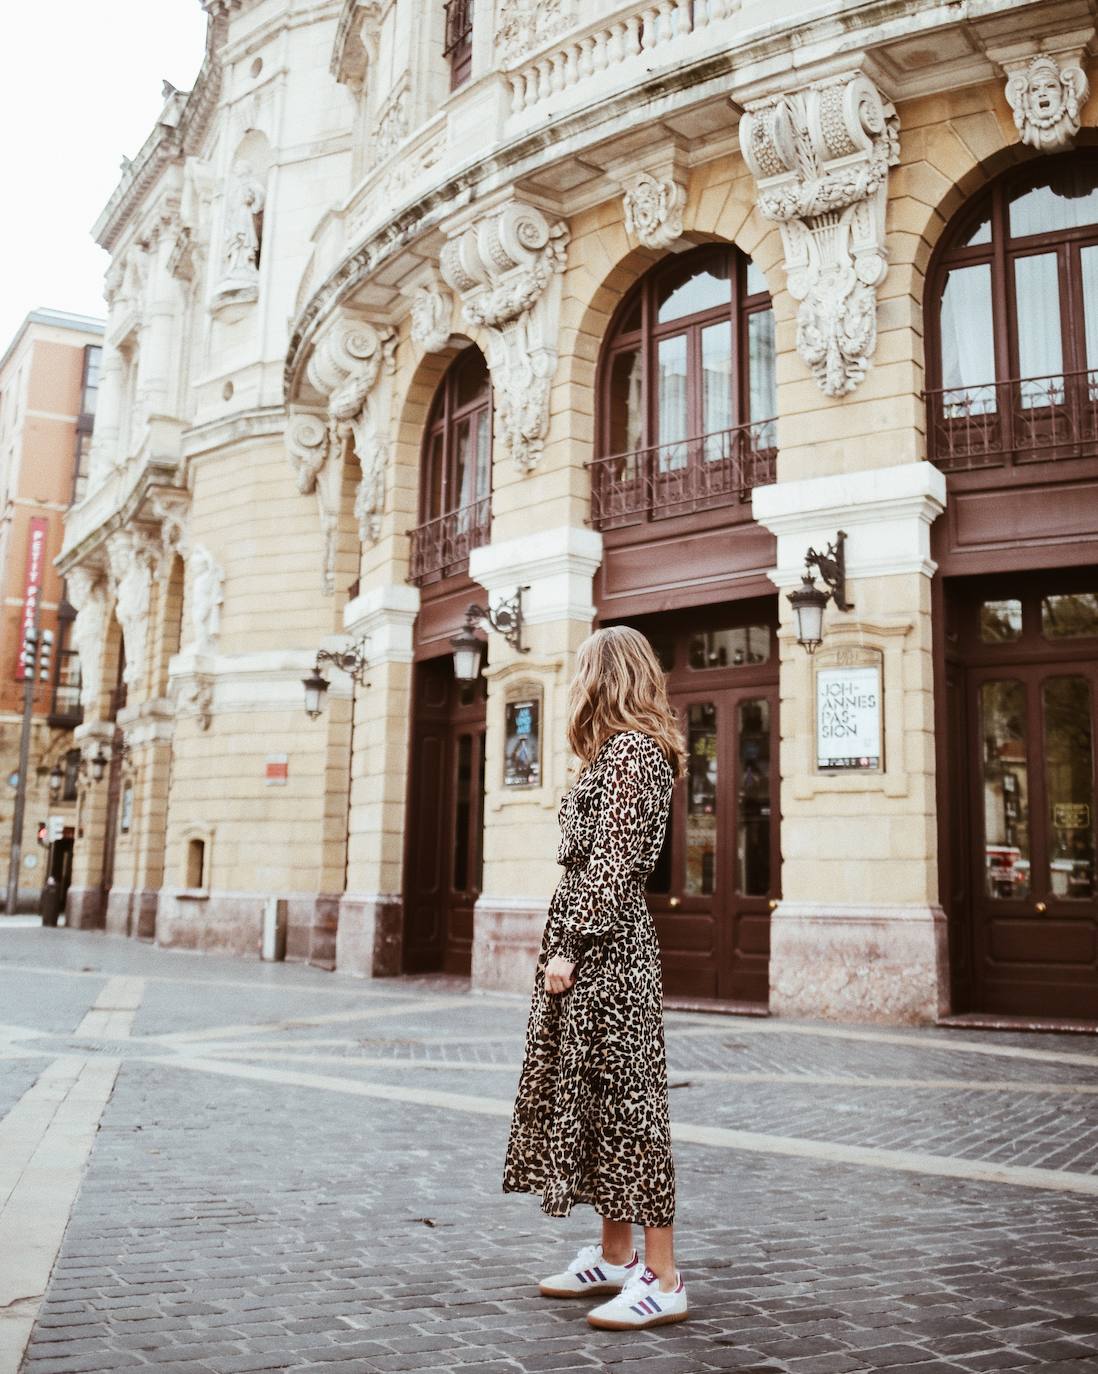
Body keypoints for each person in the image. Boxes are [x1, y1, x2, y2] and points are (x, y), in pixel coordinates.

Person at [502, 625, 688, 1330]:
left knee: (632, 1106)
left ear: (606, 677)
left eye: (583, 671)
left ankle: (663, 1277)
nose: (575, 683)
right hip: (592, 946)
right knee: (600, 1101)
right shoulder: (614, 753)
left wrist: (570, 949)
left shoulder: (635, 753)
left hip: (608, 952)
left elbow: (612, 864)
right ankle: (615, 1257)